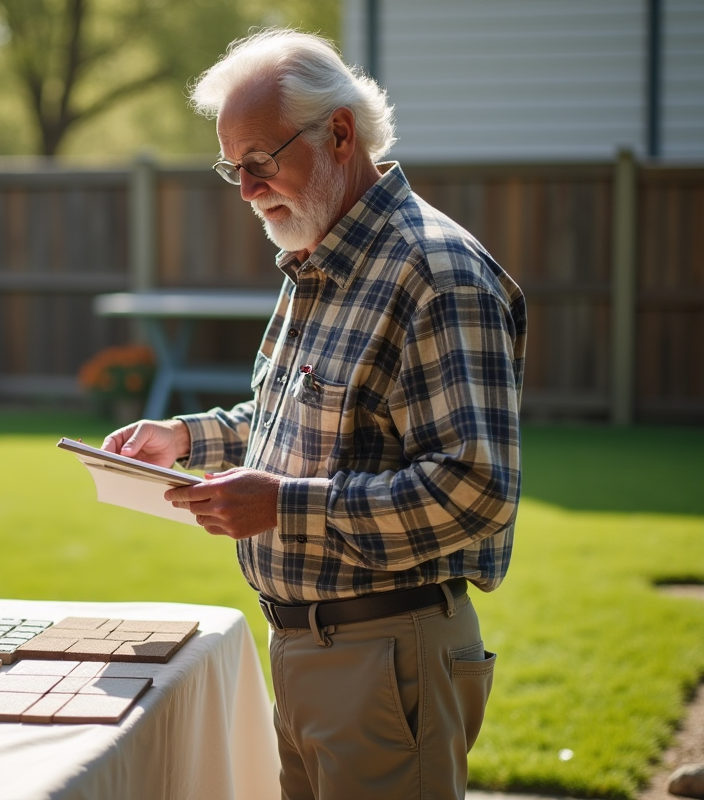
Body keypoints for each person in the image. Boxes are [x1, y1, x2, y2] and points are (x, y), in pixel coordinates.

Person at [102, 29, 527, 800]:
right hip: (310, 649)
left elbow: (475, 489)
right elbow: (295, 419)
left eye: (259, 161)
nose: (245, 189)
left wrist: (282, 506)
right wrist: (184, 437)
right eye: (231, 168)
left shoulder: (436, 272)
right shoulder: (318, 257)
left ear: (339, 133)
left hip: (386, 652)